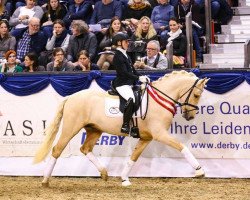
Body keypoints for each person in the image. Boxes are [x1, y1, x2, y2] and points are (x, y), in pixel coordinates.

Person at [112, 31, 149, 134]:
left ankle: (135, 125)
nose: (128, 43)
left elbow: (132, 70)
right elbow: (124, 73)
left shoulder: (126, 55)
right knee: (131, 99)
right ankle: (125, 125)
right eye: (126, 42)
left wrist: (142, 76)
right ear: (119, 43)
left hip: (129, 83)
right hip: (122, 84)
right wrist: (137, 78)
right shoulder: (118, 56)